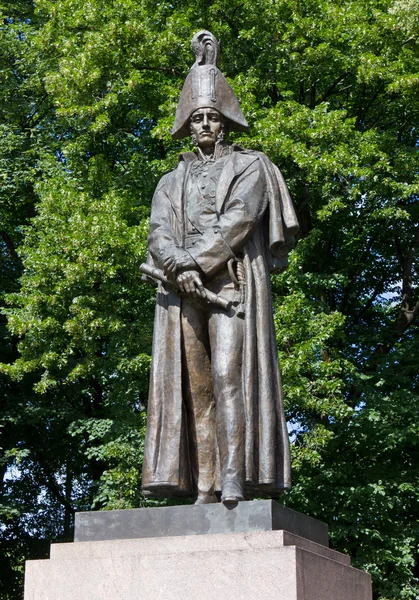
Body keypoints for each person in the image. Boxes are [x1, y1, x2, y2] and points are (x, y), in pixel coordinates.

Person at [142, 31, 299, 504]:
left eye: (211, 117)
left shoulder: (252, 166)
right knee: (196, 385)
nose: (205, 124)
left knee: (231, 376)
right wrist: (177, 265)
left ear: (223, 123)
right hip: (180, 290)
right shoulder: (170, 180)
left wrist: (196, 262)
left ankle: (234, 474)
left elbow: (240, 220)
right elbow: (157, 232)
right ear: (189, 127)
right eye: (197, 118)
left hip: (229, 289)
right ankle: (205, 482)